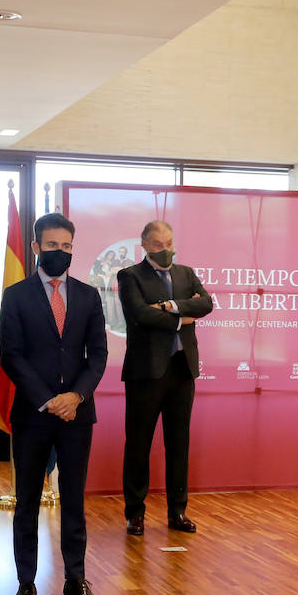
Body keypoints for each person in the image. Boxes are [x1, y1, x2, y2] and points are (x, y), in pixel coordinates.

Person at [0, 213, 107, 595]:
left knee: (74, 499)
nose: (59, 253)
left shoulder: (88, 295)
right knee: (27, 501)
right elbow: (12, 356)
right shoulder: (16, 295)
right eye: (51, 246)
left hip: (78, 414)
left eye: (65, 247)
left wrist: (75, 396)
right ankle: (26, 583)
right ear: (35, 248)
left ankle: (75, 579)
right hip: (33, 412)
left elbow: (97, 355)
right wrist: (48, 399)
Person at [117, 220, 213, 535]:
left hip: (182, 369)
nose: (165, 249)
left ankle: (178, 512)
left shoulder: (185, 273)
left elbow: (206, 304)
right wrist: (180, 320)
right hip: (146, 372)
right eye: (158, 244)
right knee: (139, 445)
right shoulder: (130, 276)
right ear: (144, 244)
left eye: (169, 242)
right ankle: (135, 513)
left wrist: (170, 306)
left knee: (179, 443)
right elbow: (139, 314)